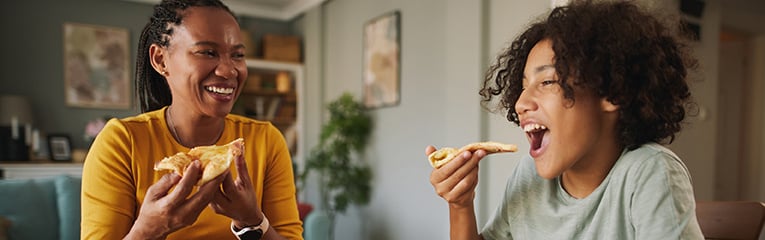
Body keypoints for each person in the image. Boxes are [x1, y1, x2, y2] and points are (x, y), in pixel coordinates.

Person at [428, 1, 704, 239]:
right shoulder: (528, 177)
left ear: (613, 91)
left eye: (547, 80)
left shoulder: (649, 173)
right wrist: (461, 204)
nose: (521, 103)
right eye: (523, 87)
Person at [81, 0, 303, 239]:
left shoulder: (266, 141)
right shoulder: (121, 143)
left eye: (237, 55)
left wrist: (252, 222)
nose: (229, 71)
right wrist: (148, 231)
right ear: (160, 59)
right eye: (207, 52)